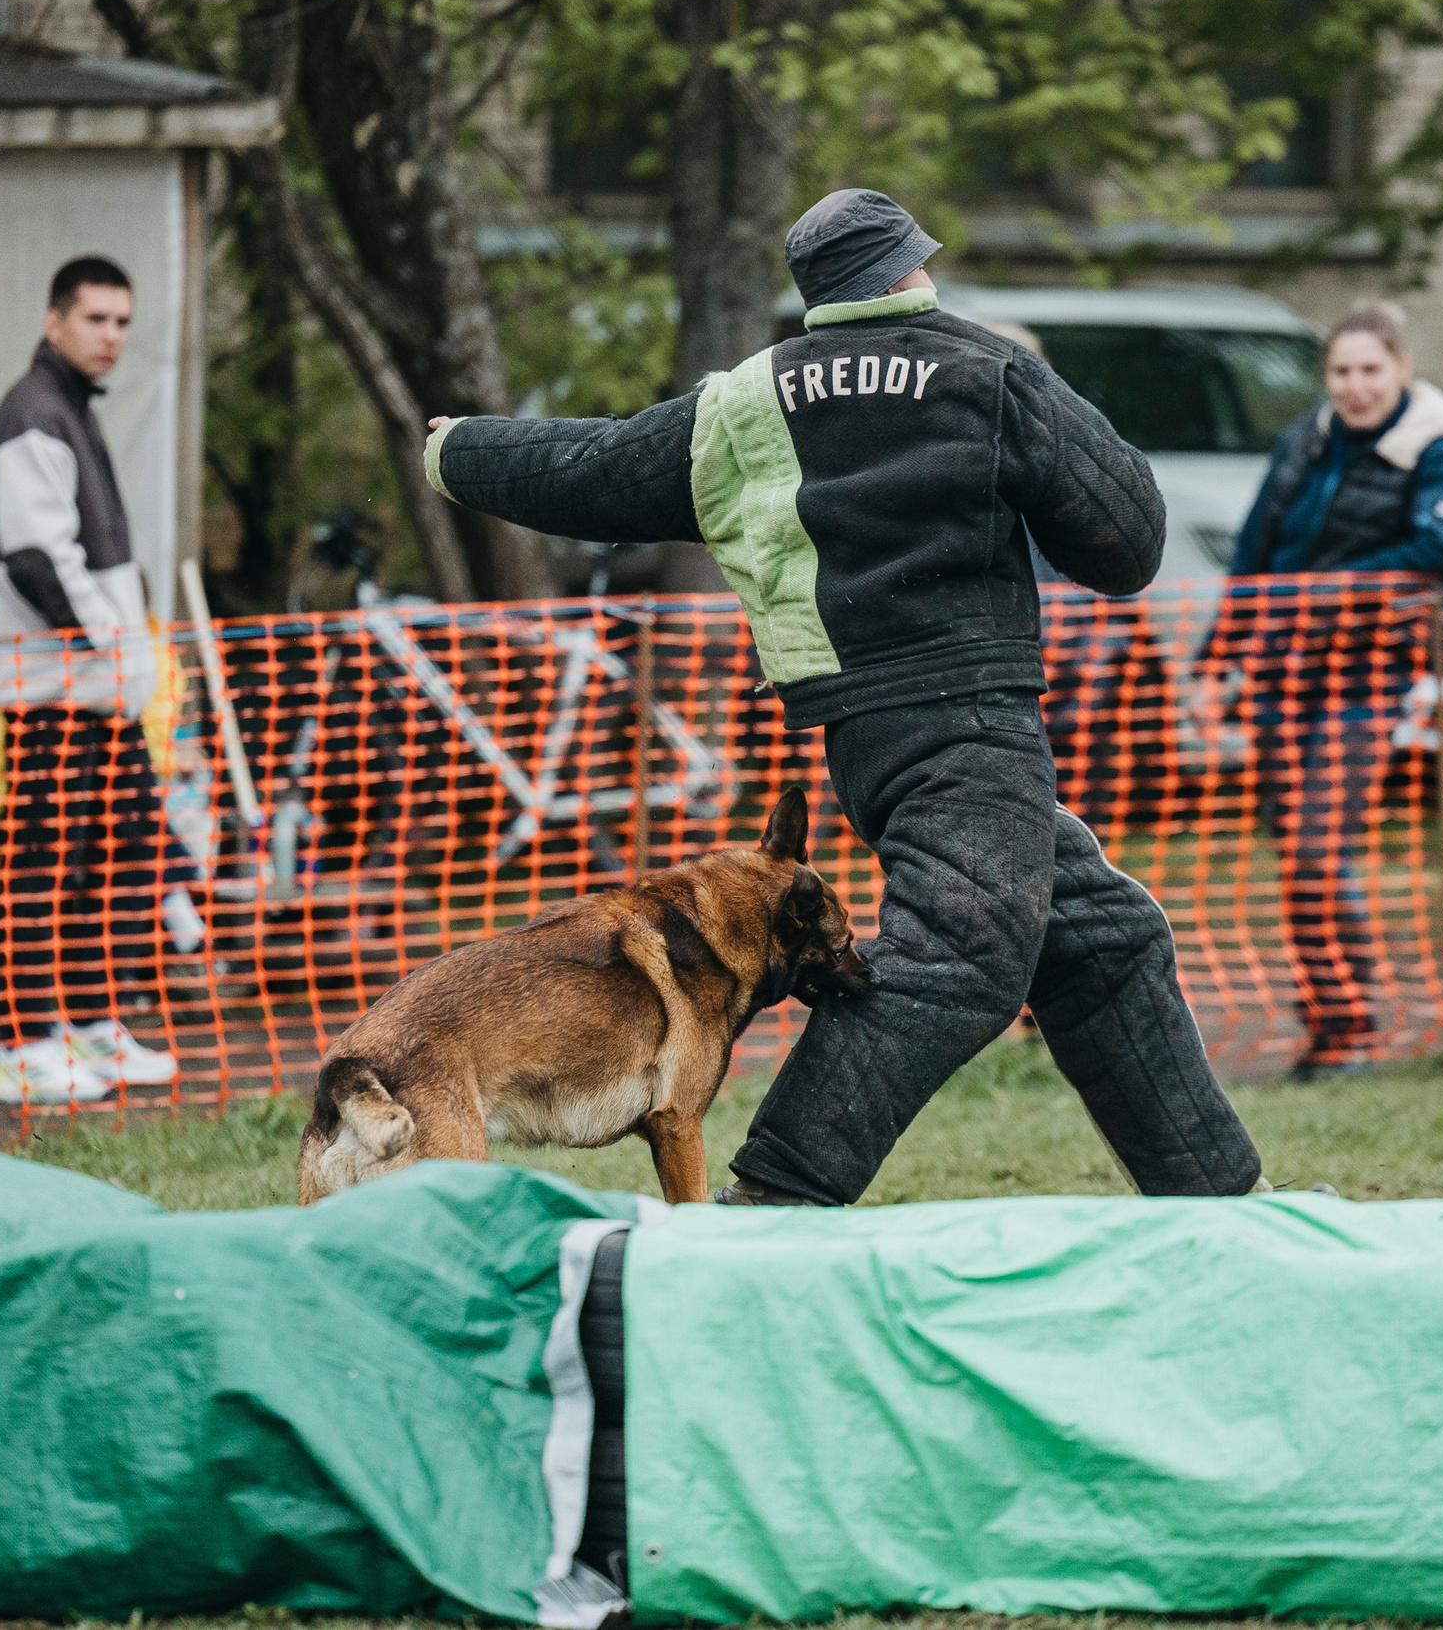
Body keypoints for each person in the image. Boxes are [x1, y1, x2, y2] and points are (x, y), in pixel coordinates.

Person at [423, 188, 1262, 1205]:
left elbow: (595, 468)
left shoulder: (748, 400)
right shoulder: (989, 370)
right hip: (974, 717)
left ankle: (1217, 1197)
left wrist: (456, 448)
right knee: (961, 953)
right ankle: (778, 1194)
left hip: (861, 731)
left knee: (1097, 938)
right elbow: (1128, 545)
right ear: (915, 267)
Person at [1223, 301, 1443, 1080]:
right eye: (1342, 371)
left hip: (1361, 682)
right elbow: (1252, 551)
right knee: (1300, 861)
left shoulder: (1430, 449)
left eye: (1371, 369)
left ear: (1401, 369)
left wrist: (1329, 589)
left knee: (1316, 855)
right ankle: (1328, 1028)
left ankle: (1352, 1024)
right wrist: (1218, 658)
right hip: (1279, 676)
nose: (1356, 385)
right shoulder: (1305, 438)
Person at [0, 256, 180, 1105]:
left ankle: (91, 1025)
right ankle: (24, 1044)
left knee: (123, 856)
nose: (112, 336)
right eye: (96, 318)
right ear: (55, 320)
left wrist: (124, 663)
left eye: (124, 321)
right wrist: (109, 648)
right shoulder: (34, 412)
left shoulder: (71, 411)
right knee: (47, 865)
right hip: (54, 693)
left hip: (100, 693)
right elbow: (34, 558)